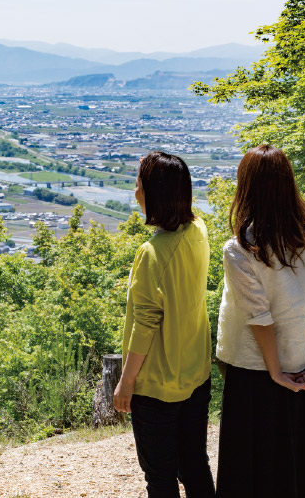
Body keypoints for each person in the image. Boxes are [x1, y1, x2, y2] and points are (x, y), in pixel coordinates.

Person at [215, 145, 305, 498]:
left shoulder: (239, 249)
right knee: (298, 469)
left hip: (253, 368)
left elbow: (259, 317)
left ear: (246, 187)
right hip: (298, 366)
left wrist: (275, 371)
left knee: (250, 471)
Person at [113, 151, 215, 498]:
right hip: (195, 373)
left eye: (139, 184)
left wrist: (125, 383)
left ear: (153, 192)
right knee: (194, 465)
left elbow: (145, 324)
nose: (135, 191)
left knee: (160, 478)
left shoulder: (151, 253)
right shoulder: (198, 230)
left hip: (157, 384)